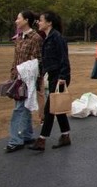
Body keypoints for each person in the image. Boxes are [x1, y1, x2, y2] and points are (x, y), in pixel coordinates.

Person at [29, 11, 71, 151]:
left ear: (49, 22)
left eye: (41, 20)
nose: (38, 23)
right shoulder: (48, 37)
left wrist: (62, 77)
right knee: (57, 107)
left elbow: (64, 58)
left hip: (59, 77)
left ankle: (42, 140)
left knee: (50, 109)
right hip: (53, 75)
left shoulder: (57, 37)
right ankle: (65, 136)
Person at [5, 10, 43, 153]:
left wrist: (32, 78)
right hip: (18, 78)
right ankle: (27, 135)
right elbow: (16, 59)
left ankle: (15, 140)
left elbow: (38, 60)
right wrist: (13, 74)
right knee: (23, 107)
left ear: (26, 20)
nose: (16, 21)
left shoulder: (36, 38)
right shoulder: (19, 37)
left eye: (18, 18)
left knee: (19, 109)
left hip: (28, 79)